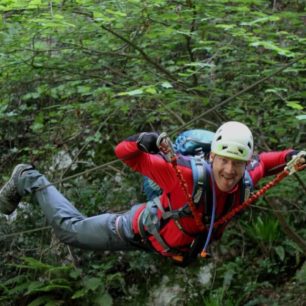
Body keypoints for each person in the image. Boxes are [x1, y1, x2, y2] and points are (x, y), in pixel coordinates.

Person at [0, 121, 304, 266]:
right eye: (223, 160)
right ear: (212, 157)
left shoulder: (248, 178)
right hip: (135, 232)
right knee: (72, 231)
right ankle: (28, 177)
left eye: (237, 163)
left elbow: (266, 161)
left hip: (171, 248)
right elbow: (125, 154)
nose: (229, 170)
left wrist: (293, 154)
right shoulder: (184, 174)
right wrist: (142, 139)